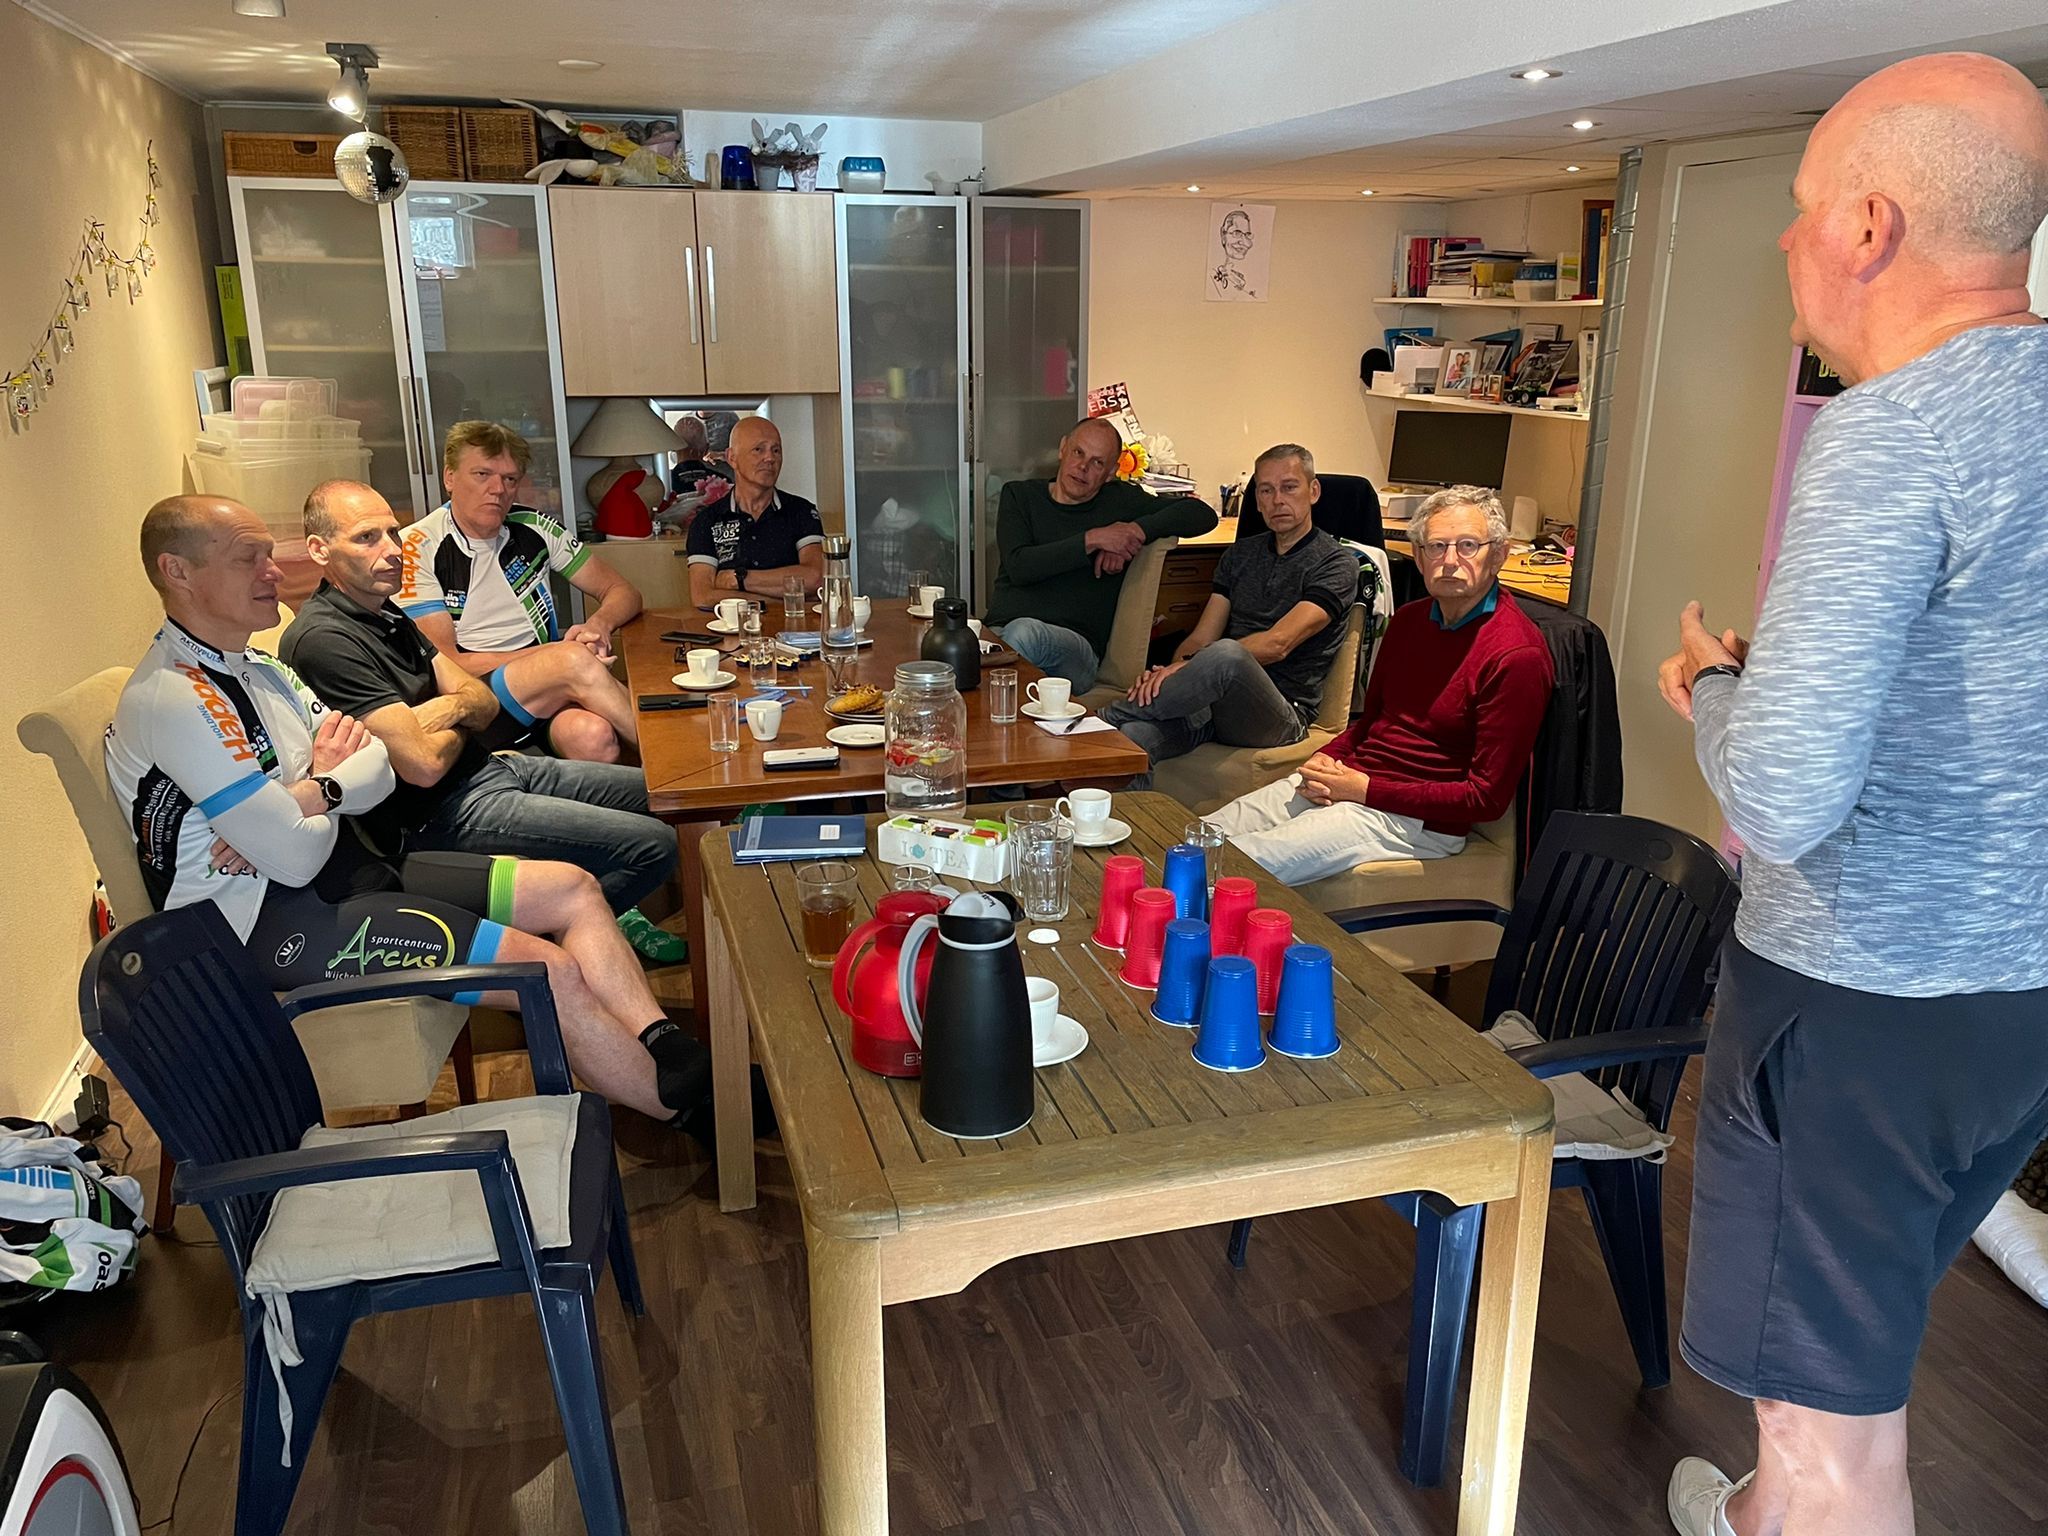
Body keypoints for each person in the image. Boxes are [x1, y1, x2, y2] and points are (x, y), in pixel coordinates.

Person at [1655, 53, 2048, 1536]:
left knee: (1830, 1430)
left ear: (1867, 226)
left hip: (1861, 997)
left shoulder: (1892, 431)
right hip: (2017, 998)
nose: (1785, 236)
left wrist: (1717, 692)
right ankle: (1754, 1513)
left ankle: (1792, 1505)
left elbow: (1782, 798)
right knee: (1847, 1345)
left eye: (1801, 201)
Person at [106, 495, 714, 1138]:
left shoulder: (262, 668)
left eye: (267, 554)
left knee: (574, 888)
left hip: (352, 869)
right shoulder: (175, 698)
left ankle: (662, 1043)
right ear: (178, 571)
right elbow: (298, 854)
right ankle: (690, 1108)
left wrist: (302, 797)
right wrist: (323, 787)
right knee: (549, 970)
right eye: (247, 558)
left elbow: (375, 766)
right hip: (271, 921)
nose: (273, 572)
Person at [285, 480, 687, 965]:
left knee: (666, 795)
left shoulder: (383, 610)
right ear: (319, 550)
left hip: (493, 767)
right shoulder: (324, 640)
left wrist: (447, 710)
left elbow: (481, 700)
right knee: (655, 845)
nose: (391, 550)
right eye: (367, 538)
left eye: (392, 533)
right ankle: (554, 944)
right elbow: (423, 765)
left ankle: (583, 932)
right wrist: (460, 712)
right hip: (444, 810)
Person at [1206, 484, 1552, 884]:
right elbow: (1369, 724)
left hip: (1417, 821)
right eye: (1436, 547)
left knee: (1236, 865)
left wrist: (1365, 790)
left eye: (1468, 546)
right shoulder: (1409, 621)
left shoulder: (1517, 655)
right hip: (1354, 782)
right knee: (1199, 836)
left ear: (1499, 555)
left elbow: (1485, 798)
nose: (1450, 561)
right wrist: (1325, 759)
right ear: (1418, 557)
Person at [1098, 443, 1353, 775]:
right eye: (1266, 490)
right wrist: (1170, 672)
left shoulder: (1336, 563)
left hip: (1280, 714)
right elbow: (1200, 638)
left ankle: (1104, 718)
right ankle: (1131, 807)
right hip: (1214, 701)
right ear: (1257, 500)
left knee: (1228, 654)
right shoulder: (1239, 555)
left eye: (1289, 487)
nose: (1277, 500)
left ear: (1313, 491)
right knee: (1133, 739)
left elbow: (1278, 644)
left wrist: (1191, 666)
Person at [397, 420, 642, 765]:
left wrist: (599, 625)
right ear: (449, 477)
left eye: (510, 479)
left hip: (546, 688)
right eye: (482, 474)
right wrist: (557, 656)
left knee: (592, 737)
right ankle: (681, 770)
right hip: (471, 698)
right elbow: (446, 664)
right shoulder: (416, 545)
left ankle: (634, 799)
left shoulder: (534, 526)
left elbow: (623, 591)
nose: (498, 489)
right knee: (572, 661)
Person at [984, 417, 1217, 690]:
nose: (1082, 467)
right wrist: (1094, 539)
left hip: (1074, 651)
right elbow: (1020, 567)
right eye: (1078, 452)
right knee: (958, 643)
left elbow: (1202, 514)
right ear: (1063, 448)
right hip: (1001, 632)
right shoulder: (1020, 496)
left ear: (1111, 472)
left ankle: (995, 709)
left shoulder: (1120, 500)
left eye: (1097, 462)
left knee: (1023, 634)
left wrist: (1133, 531)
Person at [685, 416, 825, 607]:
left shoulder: (802, 512)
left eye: (776, 450)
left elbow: (816, 578)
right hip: (733, 626)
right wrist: (781, 600)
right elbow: (703, 596)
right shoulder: (706, 521)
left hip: (793, 625)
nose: (770, 458)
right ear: (732, 458)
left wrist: (739, 579)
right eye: (758, 449)